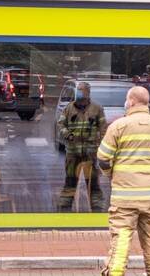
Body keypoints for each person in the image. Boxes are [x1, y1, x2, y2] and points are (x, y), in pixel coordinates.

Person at [96, 86, 150, 276]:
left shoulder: (118, 126)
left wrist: (111, 175)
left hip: (124, 199)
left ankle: (114, 273)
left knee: (121, 241)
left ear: (131, 101)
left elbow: (103, 158)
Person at [58, 81, 108, 211]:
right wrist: (68, 135)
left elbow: (103, 129)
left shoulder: (97, 109)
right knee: (70, 182)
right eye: (78, 90)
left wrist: (101, 147)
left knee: (93, 184)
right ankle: (64, 210)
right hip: (72, 153)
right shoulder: (69, 108)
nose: (79, 92)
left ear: (88, 92)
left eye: (81, 90)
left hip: (90, 154)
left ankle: (97, 210)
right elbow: (61, 124)